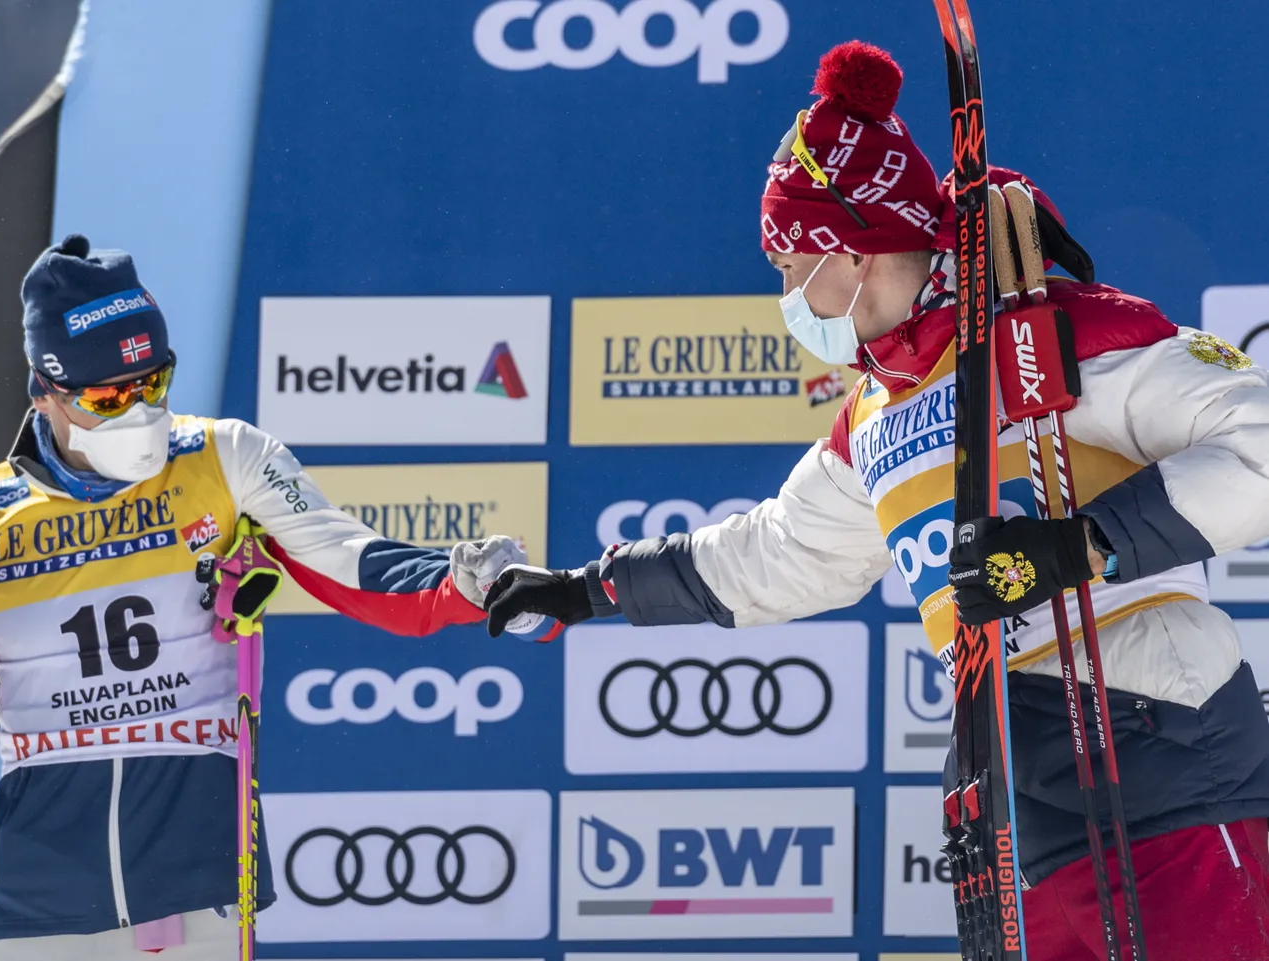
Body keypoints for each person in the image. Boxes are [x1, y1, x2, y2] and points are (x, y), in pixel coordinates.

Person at [483, 40, 1269, 957]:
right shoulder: (876, 412)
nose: (784, 293)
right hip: (1027, 789)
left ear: (847, 250)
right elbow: (779, 554)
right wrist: (590, 589)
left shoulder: (1055, 335)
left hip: (1161, 739)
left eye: (789, 264)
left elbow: (1256, 443)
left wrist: (1078, 546)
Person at [0, 234, 541, 959]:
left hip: (196, 890)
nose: (139, 414)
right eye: (109, 398)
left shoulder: (227, 459)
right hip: (39, 907)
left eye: (153, 384)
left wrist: (463, 582)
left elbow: (353, 564)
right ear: (45, 391)